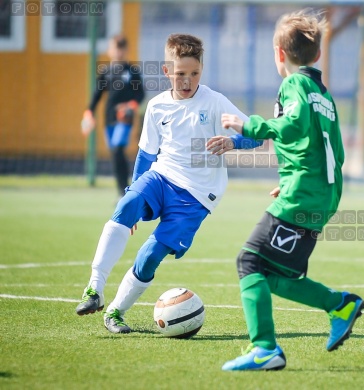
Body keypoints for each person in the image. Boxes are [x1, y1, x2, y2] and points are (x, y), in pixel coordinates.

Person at [75, 33, 262, 334]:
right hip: (162, 176)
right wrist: (134, 193)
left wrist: (232, 141)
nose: (187, 81)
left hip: (198, 196)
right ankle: (94, 289)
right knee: (126, 205)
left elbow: (257, 133)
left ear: (202, 69)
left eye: (194, 74)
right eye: (180, 75)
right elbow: (146, 153)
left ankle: (115, 313)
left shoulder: (215, 102)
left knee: (150, 255)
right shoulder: (157, 106)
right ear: (166, 72)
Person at [219, 9, 364, 372]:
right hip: (321, 194)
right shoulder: (323, 93)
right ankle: (340, 305)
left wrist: (249, 125)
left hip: (303, 195)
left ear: (279, 54)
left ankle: (265, 349)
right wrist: (293, 179)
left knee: (248, 262)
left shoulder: (294, 85)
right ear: (316, 54)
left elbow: (294, 123)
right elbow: (335, 149)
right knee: (274, 275)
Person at [81, 34, 145, 197]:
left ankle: (124, 191)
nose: (118, 52)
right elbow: (97, 94)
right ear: (110, 50)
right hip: (108, 117)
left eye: (121, 48)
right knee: (116, 154)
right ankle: (122, 190)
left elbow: (141, 94)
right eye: (115, 48)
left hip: (125, 118)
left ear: (126, 50)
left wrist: (131, 105)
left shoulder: (132, 72)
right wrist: (89, 113)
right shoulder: (106, 72)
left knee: (117, 149)